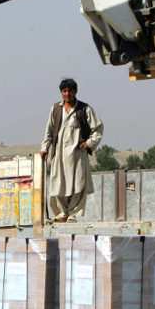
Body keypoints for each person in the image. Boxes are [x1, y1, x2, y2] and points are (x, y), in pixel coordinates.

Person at [40, 78, 103, 223]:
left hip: (77, 153)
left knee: (78, 184)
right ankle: (61, 214)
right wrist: (45, 148)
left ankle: (73, 214)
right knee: (58, 182)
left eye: (70, 91)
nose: (67, 94)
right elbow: (49, 131)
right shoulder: (56, 109)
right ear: (61, 92)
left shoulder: (84, 109)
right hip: (59, 153)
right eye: (65, 91)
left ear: (75, 91)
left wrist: (89, 143)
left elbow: (98, 127)